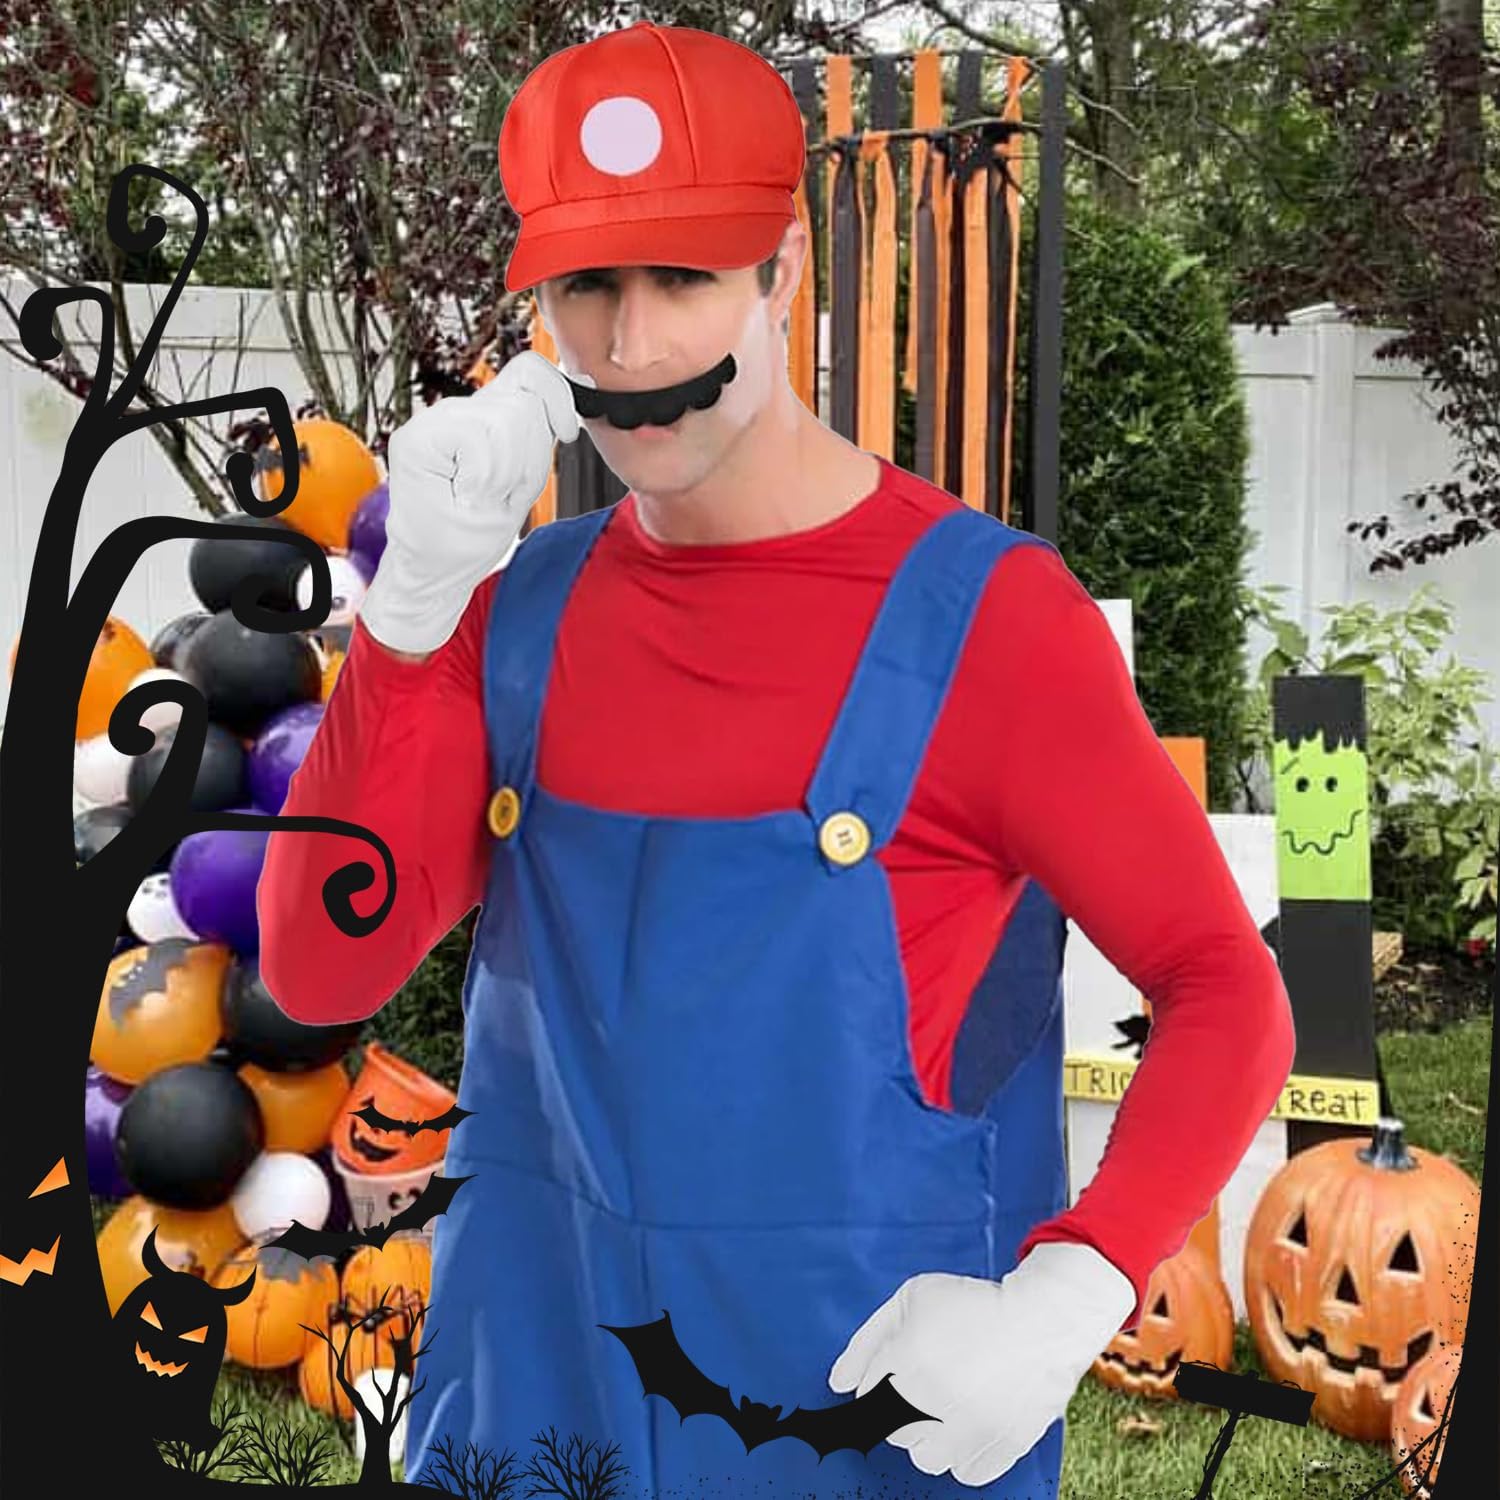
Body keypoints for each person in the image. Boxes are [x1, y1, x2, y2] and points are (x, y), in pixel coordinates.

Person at [258, 20, 1295, 1498]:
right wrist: (410, 619)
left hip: (857, 1419)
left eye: (683, 276)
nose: (631, 345)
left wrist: (1075, 1288)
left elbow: (1225, 988)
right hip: (538, 1395)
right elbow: (318, 972)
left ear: (784, 269)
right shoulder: (509, 613)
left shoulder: (994, 625)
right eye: (587, 285)